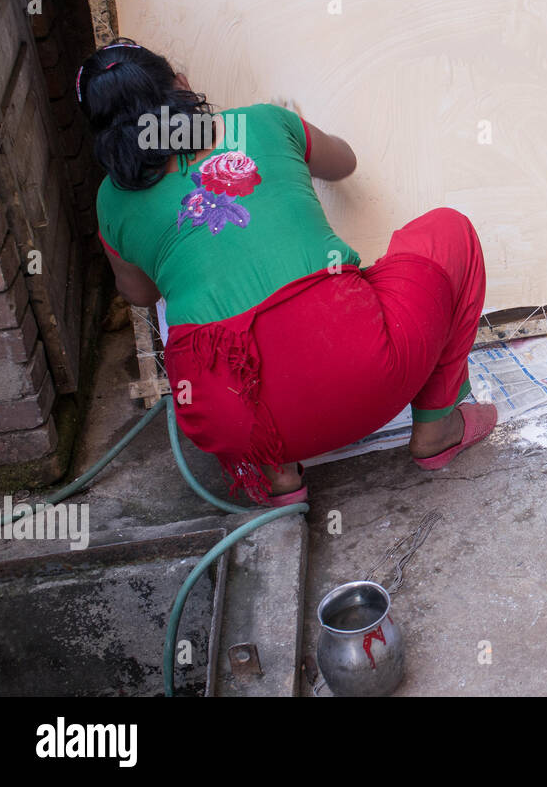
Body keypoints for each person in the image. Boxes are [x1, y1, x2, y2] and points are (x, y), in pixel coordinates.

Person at [80, 39, 497, 505]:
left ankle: (277, 482)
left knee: (214, 366)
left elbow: (139, 292)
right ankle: (436, 429)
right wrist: (290, 129)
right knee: (447, 230)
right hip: (365, 377)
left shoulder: (110, 201)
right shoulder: (258, 122)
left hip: (239, 422)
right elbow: (344, 162)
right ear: (180, 85)